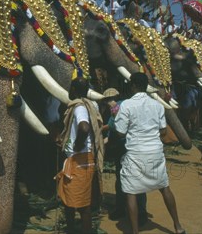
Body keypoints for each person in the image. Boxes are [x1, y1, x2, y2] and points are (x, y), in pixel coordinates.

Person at [114, 73, 185, 234]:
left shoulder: (126, 105)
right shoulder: (157, 105)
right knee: (164, 187)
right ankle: (178, 226)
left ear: (132, 86)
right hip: (155, 153)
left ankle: (134, 231)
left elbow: (120, 132)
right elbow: (163, 130)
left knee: (131, 192)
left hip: (135, 154)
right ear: (146, 86)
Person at [55, 78, 103, 234]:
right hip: (80, 159)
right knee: (69, 200)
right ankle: (70, 230)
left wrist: (77, 145)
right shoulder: (92, 105)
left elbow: (83, 128)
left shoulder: (79, 108)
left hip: (80, 159)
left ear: (74, 89)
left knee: (82, 206)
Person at [102, 89, 148, 225]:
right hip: (133, 148)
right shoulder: (127, 105)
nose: (108, 103)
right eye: (106, 101)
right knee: (133, 179)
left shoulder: (118, 107)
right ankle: (139, 212)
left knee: (124, 179)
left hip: (126, 148)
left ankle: (126, 210)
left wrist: (100, 132)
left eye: (109, 100)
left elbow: (112, 127)